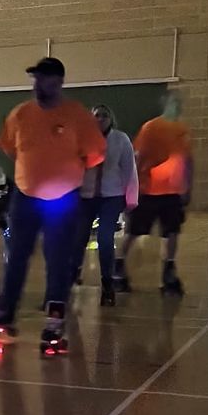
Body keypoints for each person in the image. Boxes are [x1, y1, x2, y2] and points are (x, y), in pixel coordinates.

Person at [0, 57, 105, 353]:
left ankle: (54, 320)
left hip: (63, 199)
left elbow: (95, 155)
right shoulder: (20, 114)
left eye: (44, 79)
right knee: (17, 256)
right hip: (26, 197)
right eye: (35, 79)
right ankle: (5, 314)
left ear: (59, 81)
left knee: (57, 259)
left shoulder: (77, 115)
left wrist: (73, 182)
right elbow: (12, 148)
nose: (37, 84)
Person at [115, 92, 189, 297]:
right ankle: (118, 266)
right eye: (173, 103)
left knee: (172, 232)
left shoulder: (181, 130)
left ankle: (169, 271)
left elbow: (186, 160)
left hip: (172, 193)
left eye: (178, 103)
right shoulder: (151, 128)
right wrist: (131, 188)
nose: (177, 106)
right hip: (148, 191)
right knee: (134, 231)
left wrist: (186, 187)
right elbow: (137, 159)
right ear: (165, 104)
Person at [74, 105, 138, 305]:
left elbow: (129, 169)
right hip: (87, 196)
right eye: (96, 116)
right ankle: (73, 274)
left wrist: (131, 198)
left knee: (105, 238)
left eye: (104, 115)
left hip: (111, 196)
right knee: (79, 237)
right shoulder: (83, 139)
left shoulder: (120, 139)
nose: (100, 119)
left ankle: (107, 284)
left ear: (111, 118)